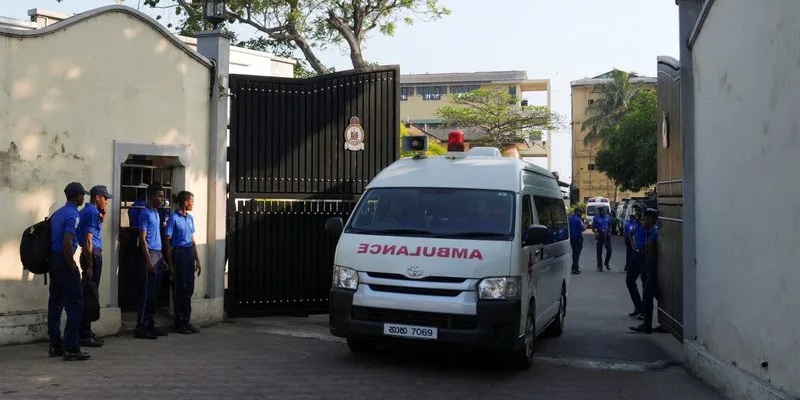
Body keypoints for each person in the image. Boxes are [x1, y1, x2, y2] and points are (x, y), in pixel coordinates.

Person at [48, 182, 91, 361]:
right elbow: (67, 242)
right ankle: (71, 348)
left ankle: (55, 345)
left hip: (53, 261)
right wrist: (72, 263)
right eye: (82, 195)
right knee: (75, 304)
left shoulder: (58, 213)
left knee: (55, 303)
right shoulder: (73, 215)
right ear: (77, 196)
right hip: (64, 261)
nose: (84, 198)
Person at [77, 185, 113, 348]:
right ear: (97, 197)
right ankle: (84, 334)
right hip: (92, 254)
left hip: (90, 253)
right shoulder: (91, 212)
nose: (106, 202)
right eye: (105, 198)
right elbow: (88, 240)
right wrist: (90, 264)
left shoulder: (88, 211)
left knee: (89, 294)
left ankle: (85, 331)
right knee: (90, 295)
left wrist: (102, 217)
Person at [135, 184, 170, 340]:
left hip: (157, 253)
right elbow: (142, 239)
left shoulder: (157, 213)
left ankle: (150, 324)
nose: (162, 199)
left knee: (154, 293)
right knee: (146, 292)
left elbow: (157, 237)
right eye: (160, 196)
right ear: (151, 196)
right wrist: (149, 261)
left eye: (163, 196)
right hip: (148, 254)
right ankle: (141, 326)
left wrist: (162, 257)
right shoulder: (145, 214)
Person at [165, 191, 202, 334]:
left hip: (189, 253)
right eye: (191, 201)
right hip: (179, 253)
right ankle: (179, 322)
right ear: (185, 202)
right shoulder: (174, 218)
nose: (193, 204)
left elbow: (192, 240)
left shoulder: (190, 218)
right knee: (180, 289)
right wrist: (170, 264)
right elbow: (167, 240)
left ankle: (186, 321)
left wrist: (197, 260)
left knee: (189, 289)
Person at [629, 208, 668, 334]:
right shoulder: (649, 232)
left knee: (648, 294)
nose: (643, 221)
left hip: (654, 270)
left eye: (645, 218)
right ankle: (664, 323)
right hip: (649, 268)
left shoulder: (656, 233)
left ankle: (647, 323)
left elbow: (656, 252)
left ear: (651, 219)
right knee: (658, 296)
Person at [626, 203, 646, 318]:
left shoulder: (646, 223)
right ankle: (638, 306)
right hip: (636, 254)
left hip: (644, 256)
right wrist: (633, 245)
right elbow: (630, 233)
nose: (636, 212)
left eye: (639, 210)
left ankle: (644, 310)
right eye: (636, 210)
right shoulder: (635, 222)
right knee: (629, 281)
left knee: (645, 283)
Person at [592, 206, 613, 271]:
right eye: (600, 210)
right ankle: (599, 266)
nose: (602, 211)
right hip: (599, 234)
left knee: (609, 251)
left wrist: (609, 232)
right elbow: (593, 227)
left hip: (606, 234)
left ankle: (606, 263)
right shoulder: (596, 218)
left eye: (602, 210)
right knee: (599, 252)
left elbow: (610, 226)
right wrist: (596, 232)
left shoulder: (608, 217)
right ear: (598, 211)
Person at [568, 208, 586, 274]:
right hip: (578, 238)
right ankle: (574, 269)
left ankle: (575, 266)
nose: (581, 214)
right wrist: (585, 226)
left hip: (572, 238)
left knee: (574, 253)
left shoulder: (570, 218)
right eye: (580, 212)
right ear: (577, 212)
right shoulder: (578, 219)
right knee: (577, 254)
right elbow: (583, 228)